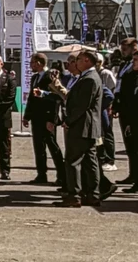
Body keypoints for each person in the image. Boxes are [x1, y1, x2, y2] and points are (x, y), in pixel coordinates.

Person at [54, 49, 113, 207]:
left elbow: (82, 105)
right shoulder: (88, 77)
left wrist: (69, 120)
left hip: (83, 126)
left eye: (78, 59)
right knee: (89, 161)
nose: (75, 63)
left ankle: (74, 195)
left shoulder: (90, 79)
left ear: (87, 60)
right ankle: (92, 194)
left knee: (73, 160)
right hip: (88, 126)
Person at [22, 52, 64, 185]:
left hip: (47, 117)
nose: (31, 66)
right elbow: (31, 98)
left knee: (53, 146)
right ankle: (41, 174)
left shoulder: (50, 76)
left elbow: (56, 99)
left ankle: (61, 175)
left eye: (32, 63)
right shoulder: (35, 77)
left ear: (39, 63)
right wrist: (27, 116)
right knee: (38, 147)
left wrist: (52, 120)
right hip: (36, 117)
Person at [114, 49, 138, 191]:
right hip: (134, 120)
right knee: (135, 150)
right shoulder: (135, 77)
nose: (133, 63)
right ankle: (137, 180)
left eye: (136, 60)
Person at [95, 52, 118, 171]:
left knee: (107, 132)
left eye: (98, 62)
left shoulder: (106, 73)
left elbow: (113, 90)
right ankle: (102, 157)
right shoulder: (94, 73)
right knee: (99, 134)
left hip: (105, 106)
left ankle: (110, 159)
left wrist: (111, 106)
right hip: (97, 108)